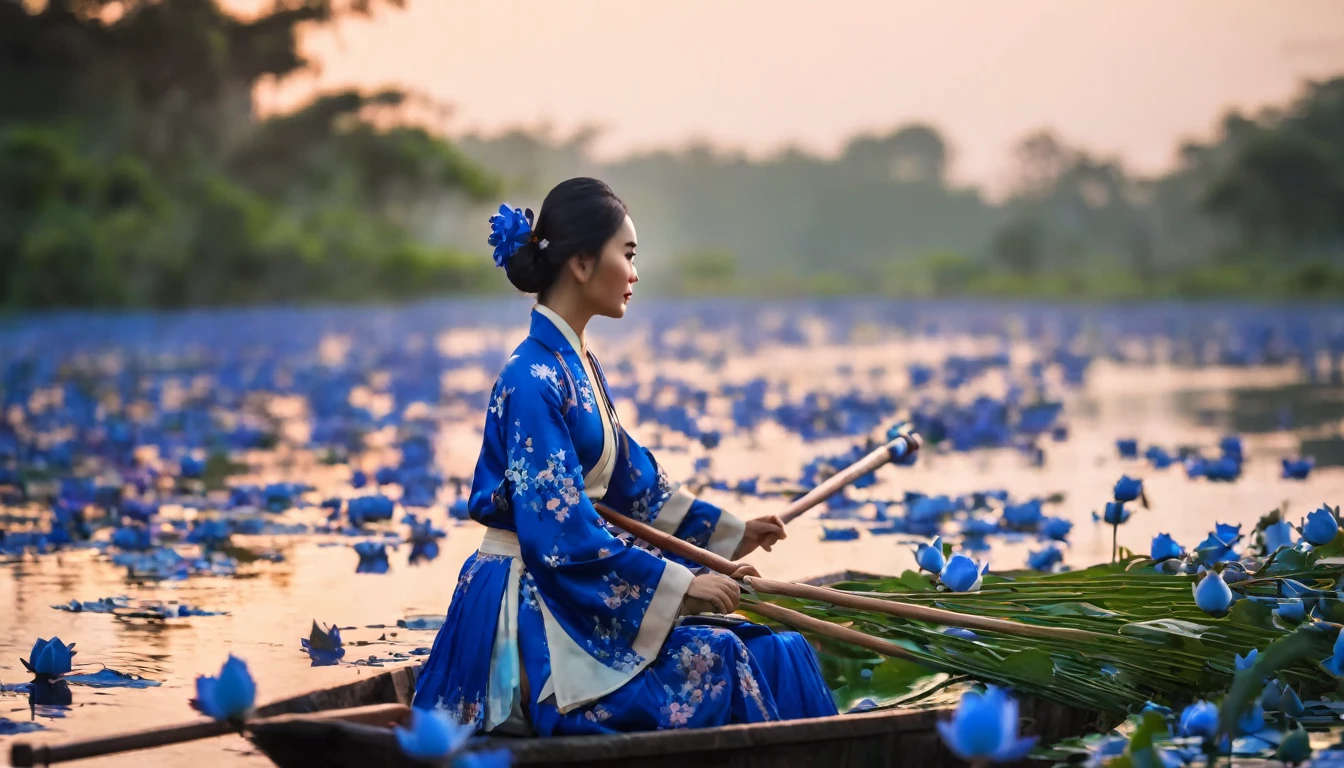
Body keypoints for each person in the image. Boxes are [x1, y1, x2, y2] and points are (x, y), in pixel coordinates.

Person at [412, 177, 839, 736]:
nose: (635, 274)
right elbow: (560, 535)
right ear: (583, 264)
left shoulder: (577, 365)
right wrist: (683, 585)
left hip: (566, 603)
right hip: (528, 614)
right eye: (628, 255)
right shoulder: (531, 378)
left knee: (780, 648)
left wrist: (734, 534)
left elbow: (635, 487)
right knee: (728, 659)